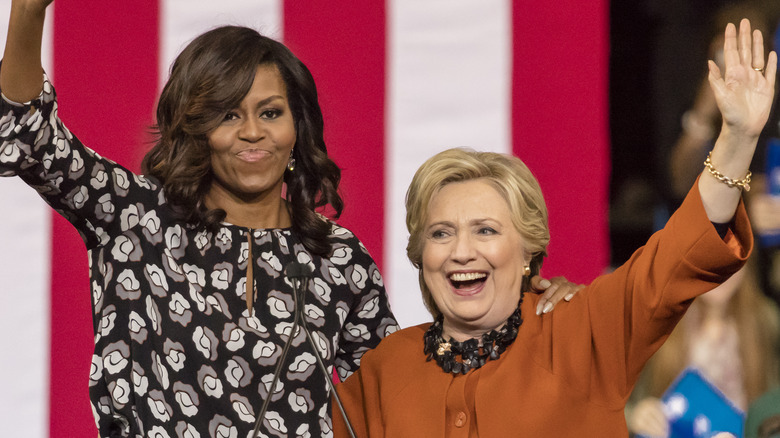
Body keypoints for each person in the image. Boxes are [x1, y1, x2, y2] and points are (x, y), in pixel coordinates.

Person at [0, 0, 578, 436]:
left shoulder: (338, 258)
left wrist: (524, 308)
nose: (252, 132)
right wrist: (27, 11)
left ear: (297, 127)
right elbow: (25, 138)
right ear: (195, 128)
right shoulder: (133, 217)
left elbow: (404, 390)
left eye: (270, 112)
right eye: (228, 114)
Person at [333, 18, 774, 437]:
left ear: (528, 250)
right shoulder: (383, 369)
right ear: (420, 254)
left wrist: (737, 139)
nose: (461, 251)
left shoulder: (583, 333)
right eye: (441, 233)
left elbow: (678, 255)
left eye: (485, 230)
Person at [626, 257, 780, 437]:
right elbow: (614, 399)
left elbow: (773, 402)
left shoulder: (765, 322)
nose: (720, 272)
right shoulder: (660, 323)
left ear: (747, 265)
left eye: (731, 261)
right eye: (709, 258)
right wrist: (635, 415)